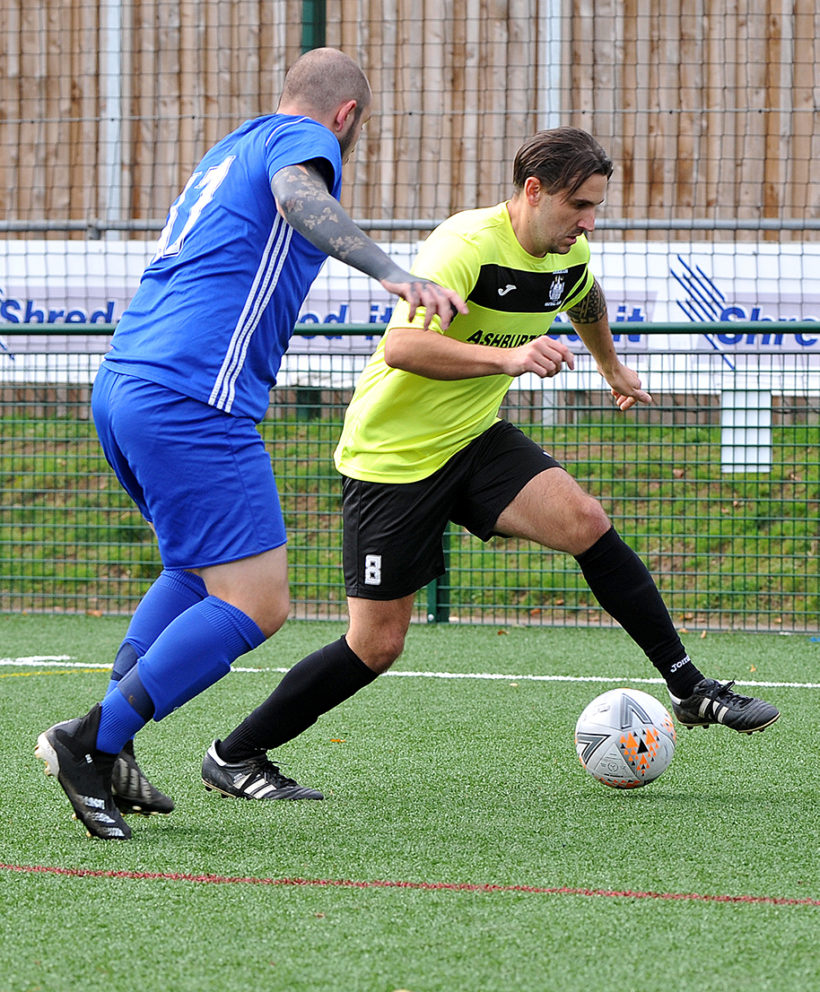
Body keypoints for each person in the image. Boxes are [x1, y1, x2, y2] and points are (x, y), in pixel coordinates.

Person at [203, 126, 779, 801]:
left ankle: (690, 689)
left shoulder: (567, 251)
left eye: (595, 207)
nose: (587, 222)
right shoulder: (465, 245)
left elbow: (583, 295)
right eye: (577, 206)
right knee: (376, 644)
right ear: (533, 191)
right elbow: (405, 349)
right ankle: (235, 754)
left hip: (473, 438)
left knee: (586, 521)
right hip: (393, 459)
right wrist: (509, 358)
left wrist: (611, 365)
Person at [33, 47, 467, 840]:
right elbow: (300, 193)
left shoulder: (230, 145)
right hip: (193, 399)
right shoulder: (305, 147)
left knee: (194, 573)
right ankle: (88, 740)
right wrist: (391, 272)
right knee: (258, 602)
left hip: (127, 386)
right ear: (346, 117)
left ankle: (113, 740)